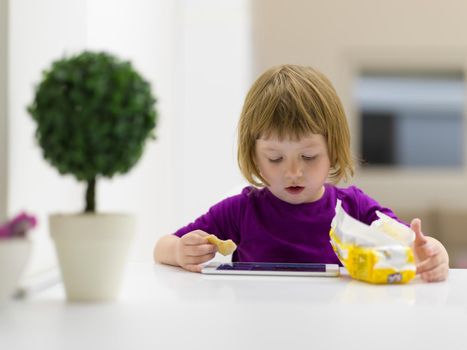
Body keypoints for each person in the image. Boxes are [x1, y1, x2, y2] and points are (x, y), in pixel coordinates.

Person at [153, 64, 449, 282]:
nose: (293, 172)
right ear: (253, 155)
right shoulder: (241, 210)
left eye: (308, 156)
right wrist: (180, 251)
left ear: (333, 149)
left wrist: (432, 253)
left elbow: (407, 245)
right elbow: (161, 247)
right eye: (275, 158)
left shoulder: (353, 207)